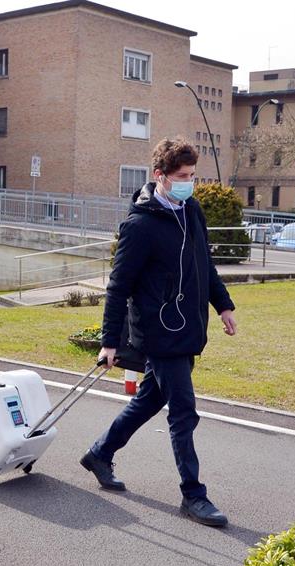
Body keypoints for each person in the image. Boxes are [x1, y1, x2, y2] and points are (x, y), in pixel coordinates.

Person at [80, 138, 237, 527]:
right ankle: (193, 495)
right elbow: (118, 286)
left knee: (149, 400)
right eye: (182, 177)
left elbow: (206, 267)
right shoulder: (140, 225)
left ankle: (99, 453)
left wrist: (224, 306)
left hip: (188, 328)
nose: (189, 184)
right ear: (160, 176)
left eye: (193, 177)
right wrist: (109, 341)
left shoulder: (192, 211)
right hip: (159, 332)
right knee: (183, 411)